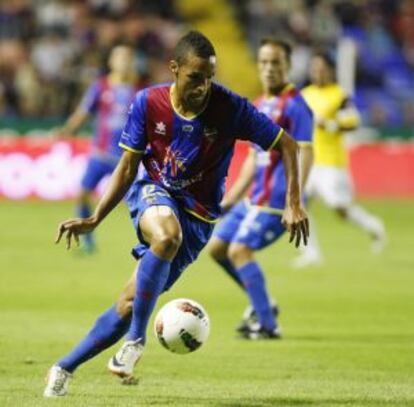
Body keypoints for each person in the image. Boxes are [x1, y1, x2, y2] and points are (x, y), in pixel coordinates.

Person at [44, 31, 309, 397]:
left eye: (210, 77)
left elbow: (288, 145)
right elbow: (126, 167)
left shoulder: (231, 108)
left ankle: (63, 367)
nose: (203, 86)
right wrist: (95, 219)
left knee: (130, 302)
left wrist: (294, 201)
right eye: (195, 77)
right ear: (175, 69)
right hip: (153, 191)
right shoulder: (148, 103)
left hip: (198, 218)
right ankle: (137, 341)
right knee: (167, 235)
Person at [207, 38, 314, 339]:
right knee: (217, 249)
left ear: (288, 66)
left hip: (277, 200)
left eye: (276, 63)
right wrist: (230, 200)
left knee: (240, 251)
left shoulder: (297, 106)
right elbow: (254, 160)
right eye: (264, 62)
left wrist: (296, 200)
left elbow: (305, 152)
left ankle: (268, 324)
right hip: (254, 198)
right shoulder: (258, 104)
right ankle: (263, 303)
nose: (269, 68)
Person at [292, 52, 386, 268]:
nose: (317, 71)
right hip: (307, 160)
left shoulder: (340, 96)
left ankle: (373, 225)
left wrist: (332, 125)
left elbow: (353, 122)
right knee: (299, 204)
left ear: (330, 70)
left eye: (321, 67)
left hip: (331, 162)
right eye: (314, 68)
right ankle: (310, 252)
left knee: (339, 208)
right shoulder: (304, 94)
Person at [56, 44, 143, 253]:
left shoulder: (140, 91)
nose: (123, 62)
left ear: (132, 63)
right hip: (100, 154)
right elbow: (83, 112)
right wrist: (67, 130)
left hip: (126, 159)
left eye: (127, 58)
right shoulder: (100, 87)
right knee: (82, 194)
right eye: (119, 58)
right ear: (111, 62)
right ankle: (87, 242)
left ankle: (147, 241)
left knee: (136, 203)